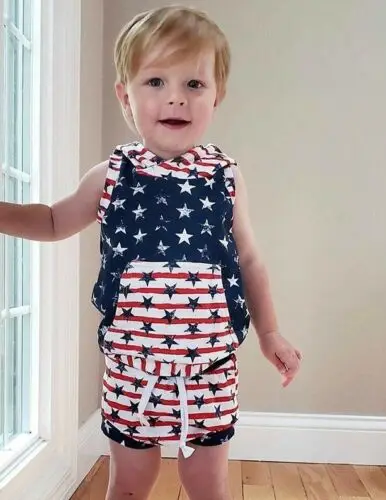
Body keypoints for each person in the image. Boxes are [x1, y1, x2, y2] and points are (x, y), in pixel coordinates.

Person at [0, 5, 302, 500]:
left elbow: (248, 260)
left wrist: (269, 333)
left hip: (209, 372)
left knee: (207, 485)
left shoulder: (225, 176)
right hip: (131, 374)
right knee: (129, 483)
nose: (176, 97)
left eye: (194, 84)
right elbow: (53, 220)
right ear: (126, 96)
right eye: (156, 81)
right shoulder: (110, 176)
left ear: (217, 96)